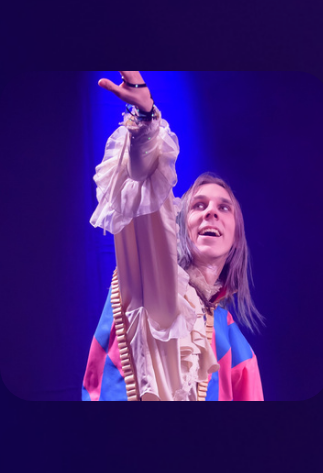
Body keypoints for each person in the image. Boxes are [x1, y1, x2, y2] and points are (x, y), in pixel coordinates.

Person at [80, 71, 264, 401]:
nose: (211, 212)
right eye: (199, 205)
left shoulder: (238, 350)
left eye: (224, 208)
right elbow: (147, 203)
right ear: (181, 227)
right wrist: (146, 121)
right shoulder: (150, 286)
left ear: (237, 237)